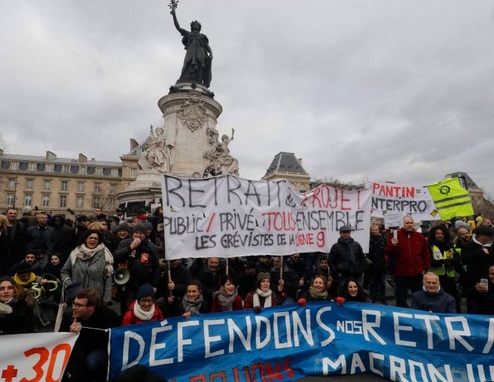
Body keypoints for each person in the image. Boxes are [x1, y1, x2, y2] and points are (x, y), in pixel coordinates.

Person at [60, 289, 119, 382]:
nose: (74, 308)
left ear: (91, 307)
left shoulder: (108, 315)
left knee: (93, 361)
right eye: (74, 303)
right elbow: (61, 337)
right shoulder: (69, 316)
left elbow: (114, 339)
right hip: (78, 348)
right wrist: (71, 334)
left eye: (79, 305)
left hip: (100, 348)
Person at [113, 223, 161, 315]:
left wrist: (155, 284)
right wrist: (130, 247)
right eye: (136, 233)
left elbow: (156, 267)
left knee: (144, 307)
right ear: (132, 233)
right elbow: (115, 257)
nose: (138, 235)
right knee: (129, 308)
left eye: (141, 233)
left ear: (145, 235)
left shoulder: (151, 247)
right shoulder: (125, 243)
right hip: (128, 282)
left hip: (145, 282)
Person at [385, 216, 430, 307]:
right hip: (401, 273)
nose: (409, 225)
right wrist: (393, 246)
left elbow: (426, 254)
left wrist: (425, 268)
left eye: (411, 223)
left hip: (417, 272)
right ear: (403, 224)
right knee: (401, 297)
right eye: (407, 223)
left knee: (418, 296)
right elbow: (387, 252)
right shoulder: (395, 236)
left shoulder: (420, 237)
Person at [61, 230, 114, 305]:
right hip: (77, 296)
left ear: (98, 241)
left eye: (95, 238)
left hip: (96, 297)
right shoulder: (75, 253)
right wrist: (70, 286)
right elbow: (64, 272)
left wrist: (107, 299)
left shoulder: (105, 255)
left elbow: (108, 277)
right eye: (90, 238)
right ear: (85, 239)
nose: (92, 240)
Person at [171, 6, 213, 87]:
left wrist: (211, 53)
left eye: (197, 25)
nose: (196, 26)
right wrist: (174, 15)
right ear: (192, 26)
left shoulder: (202, 36)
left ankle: (198, 80)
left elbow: (207, 46)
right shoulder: (188, 34)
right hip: (191, 52)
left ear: (199, 27)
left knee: (200, 66)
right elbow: (178, 28)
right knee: (188, 63)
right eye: (194, 25)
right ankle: (186, 78)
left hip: (201, 52)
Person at [427, 225, 464, 312]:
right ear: (434, 235)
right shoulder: (430, 246)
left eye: (442, 233)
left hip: (449, 276)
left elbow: (457, 259)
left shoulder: (449, 245)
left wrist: (451, 261)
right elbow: (429, 261)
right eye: (437, 233)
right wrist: (441, 261)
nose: (440, 235)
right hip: (436, 277)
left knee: (453, 298)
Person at [460, 226, 494, 313]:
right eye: (489, 236)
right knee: (473, 305)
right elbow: (465, 260)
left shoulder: (492, 246)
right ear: (480, 236)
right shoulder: (468, 246)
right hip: (473, 281)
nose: (491, 238)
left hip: (491, 281)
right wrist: (480, 252)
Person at [366, 224, 387, 304]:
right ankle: (373, 298)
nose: (374, 231)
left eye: (376, 230)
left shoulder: (383, 240)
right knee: (372, 284)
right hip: (371, 265)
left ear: (379, 230)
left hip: (381, 265)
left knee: (382, 284)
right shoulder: (368, 240)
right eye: (373, 230)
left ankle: (382, 299)